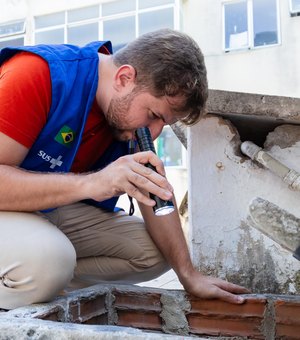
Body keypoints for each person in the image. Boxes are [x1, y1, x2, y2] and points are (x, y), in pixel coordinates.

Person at [0, 28, 249, 309]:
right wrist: (93, 183)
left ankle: (37, 283)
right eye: (153, 116)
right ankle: (33, 280)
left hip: (44, 210)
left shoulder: (126, 117)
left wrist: (188, 275)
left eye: (163, 125)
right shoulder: (38, 74)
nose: (153, 133)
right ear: (124, 78)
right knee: (50, 259)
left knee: (156, 252)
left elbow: (154, 198)